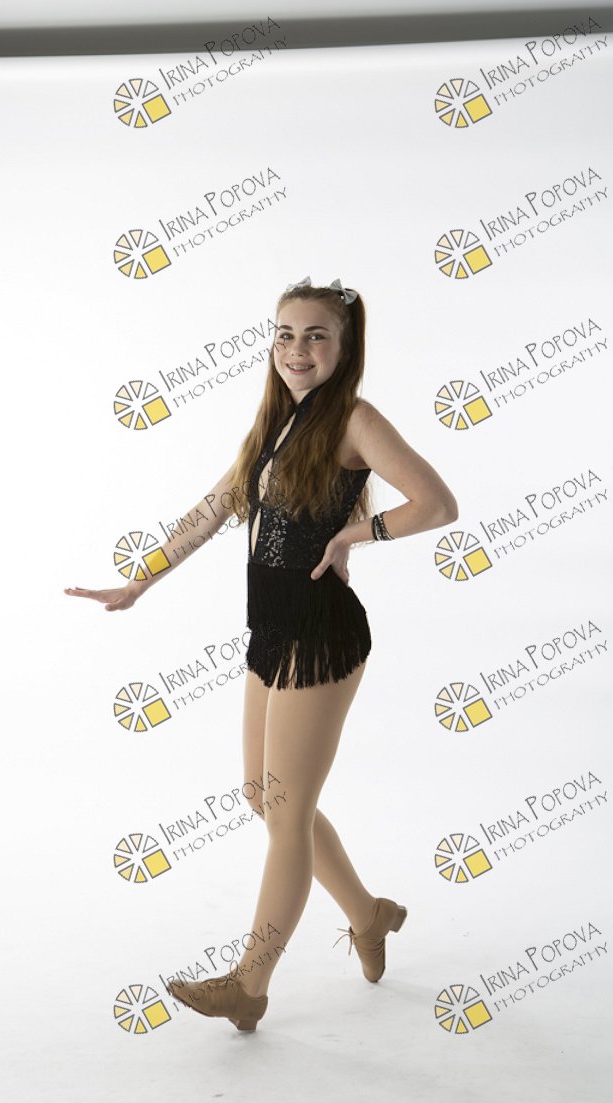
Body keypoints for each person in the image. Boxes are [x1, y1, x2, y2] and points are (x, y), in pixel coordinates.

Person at [65, 276, 458, 1032]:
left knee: (286, 812)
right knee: (263, 795)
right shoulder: (276, 421)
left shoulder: (354, 419)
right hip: (270, 629)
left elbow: (437, 503)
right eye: (285, 334)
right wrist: (140, 581)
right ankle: (368, 913)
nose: (297, 349)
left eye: (316, 335)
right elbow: (215, 506)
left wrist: (355, 534)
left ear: (345, 347)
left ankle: (251, 984)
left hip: (322, 632)